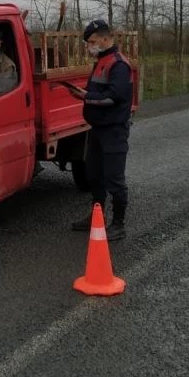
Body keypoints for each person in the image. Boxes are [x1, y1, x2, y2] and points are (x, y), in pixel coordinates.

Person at [69, 19, 133, 241]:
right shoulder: (101, 61)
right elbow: (98, 90)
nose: (90, 46)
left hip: (114, 131)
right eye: (88, 43)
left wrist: (86, 96)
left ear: (106, 39)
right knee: (94, 176)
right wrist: (83, 92)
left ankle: (118, 223)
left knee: (114, 179)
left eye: (93, 42)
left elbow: (113, 97)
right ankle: (96, 216)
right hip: (96, 129)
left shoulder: (119, 64)